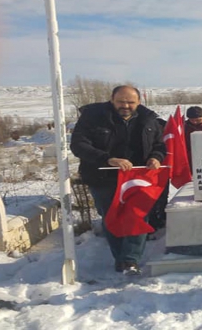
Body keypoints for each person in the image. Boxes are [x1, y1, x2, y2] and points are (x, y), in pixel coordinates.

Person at [70, 85, 166, 275]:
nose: (126, 106)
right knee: (112, 217)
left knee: (138, 215)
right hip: (103, 177)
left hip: (137, 178)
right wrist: (107, 158)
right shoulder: (92, 117)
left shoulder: (149, 119)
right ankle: (120, 257)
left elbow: (159, 145)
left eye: (131, 102)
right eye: (121, 101)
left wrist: (156, 157)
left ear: (139, 101)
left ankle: (130, 260)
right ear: (112, 99)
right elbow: (78, 145)